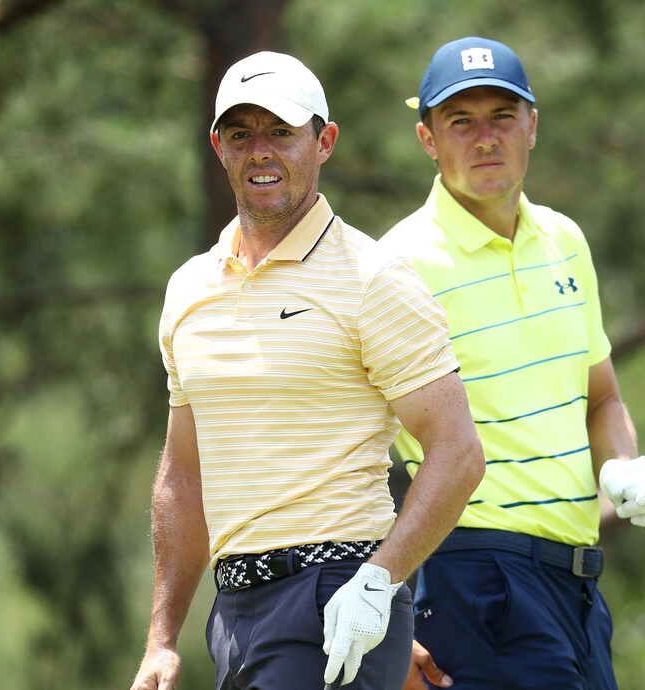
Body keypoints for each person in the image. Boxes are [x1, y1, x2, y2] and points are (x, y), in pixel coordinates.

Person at [128, 51, 485, 690]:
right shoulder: (189, 290)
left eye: (282, 132)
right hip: (233, 611)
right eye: (242, 133)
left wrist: (380, 582)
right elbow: (184, 475)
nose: (260, 151)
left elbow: (457, 451)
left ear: (324, 143)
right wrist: (160, 640)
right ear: (218, 147)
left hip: (336, 589)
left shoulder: (373, 278)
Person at [379, 37, 645, 690]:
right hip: (474, 580)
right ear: (428, 138)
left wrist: (623, 462)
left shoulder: (566, 242)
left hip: (578, 583)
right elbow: (351, 452)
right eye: (461, 121)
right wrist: (389, 612)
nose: (485, 139)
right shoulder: (397, 266)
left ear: (532, 126)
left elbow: (602, 399)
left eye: (502, 117)